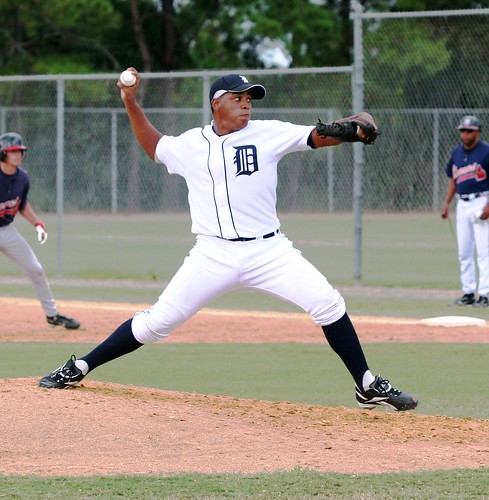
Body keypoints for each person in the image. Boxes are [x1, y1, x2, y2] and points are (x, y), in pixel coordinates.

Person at [39, 71, 418, 412]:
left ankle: (366, 385)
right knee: (157, 323)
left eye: (250, 98)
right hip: (212, 253)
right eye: (238, 97)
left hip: (269, 250)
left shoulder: (268, 133)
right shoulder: (191, 144)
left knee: (327, 302)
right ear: (216, 102)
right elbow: (154, 146)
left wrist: (355, 126)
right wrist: (131, 102)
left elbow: (318, 135)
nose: (247, 104)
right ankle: (80, 366)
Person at [0, 132, 81, 329]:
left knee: (35, 269)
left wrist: (37, 223)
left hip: (7, 230)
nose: (18, 155)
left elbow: (22, 204)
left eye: (20, 151)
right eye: (12, 152)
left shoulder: (23, 178)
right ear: (2, 154)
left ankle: (52, 315)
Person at [441, 115, 489, 308]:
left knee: (484, 252)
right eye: (463, 130)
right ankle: (468, 292)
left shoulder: (486, 151)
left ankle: (485, 294)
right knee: (464, 251)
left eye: (469, 130)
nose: (465, 133)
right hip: (462, 204)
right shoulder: (457, 153)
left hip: (481, 201)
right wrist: (446, 203)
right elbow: (453, 179)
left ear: (477, 132)